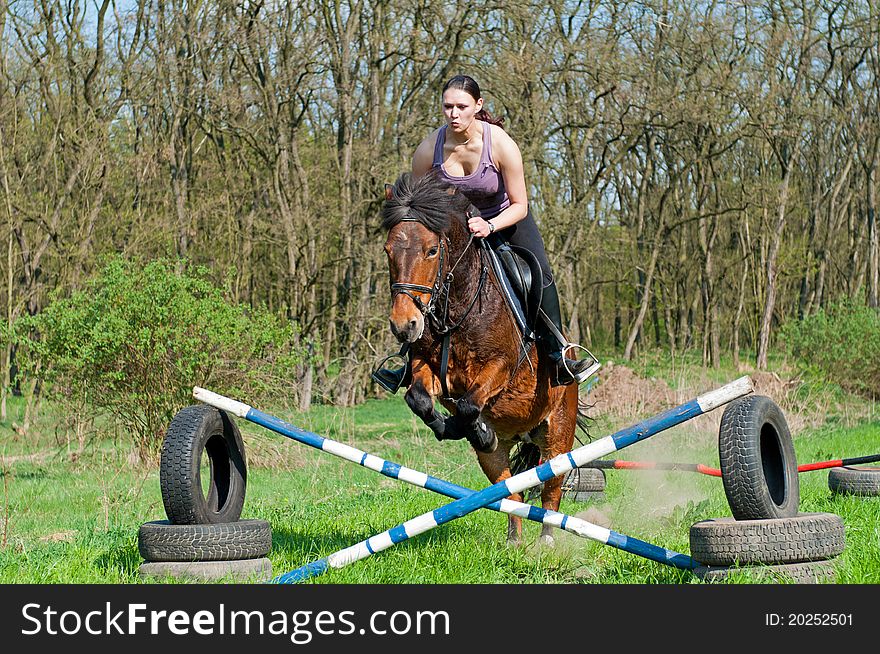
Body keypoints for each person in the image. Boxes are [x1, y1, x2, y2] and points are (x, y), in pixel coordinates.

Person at [373, 75, 595, 391]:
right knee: (420, 274)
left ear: (478, 106)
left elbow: (520, 204)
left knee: (538, 272)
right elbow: (416, 206)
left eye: (461, 106)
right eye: (448, 106)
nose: (454, 114)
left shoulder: (501, 144)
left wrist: (490, 225)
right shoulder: (428, 150)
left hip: (505, 220)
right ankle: (407, 361)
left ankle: (558, 354)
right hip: (455, 234)